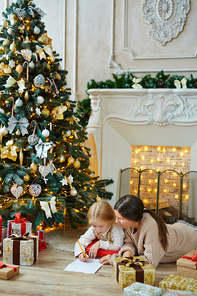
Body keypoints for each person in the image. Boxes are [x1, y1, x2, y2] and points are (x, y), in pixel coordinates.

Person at [100, 194, 197, 268]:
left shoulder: (150, 226)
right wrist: (127, 252)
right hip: (177, 227)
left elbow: (149, 263)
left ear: (133, 218)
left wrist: (115, 260)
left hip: (190, 236)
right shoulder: (129, 223)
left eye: (120, 218)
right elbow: (130, 242)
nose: (117, 221)